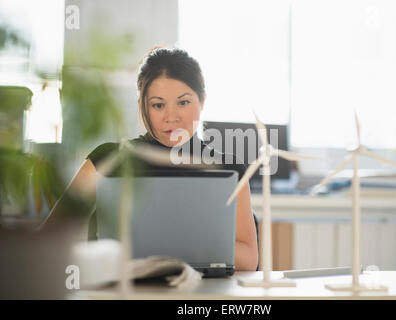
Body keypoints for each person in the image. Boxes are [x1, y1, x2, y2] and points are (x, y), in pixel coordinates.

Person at [42, 47, 259, 271]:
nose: (171, 117)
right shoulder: (107, 160)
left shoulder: (227, 169)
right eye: (158, 105)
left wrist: (172, 241)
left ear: (202, 101)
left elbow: (248, 261)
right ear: (142, 106)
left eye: (183, 102)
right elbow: (48, 242)